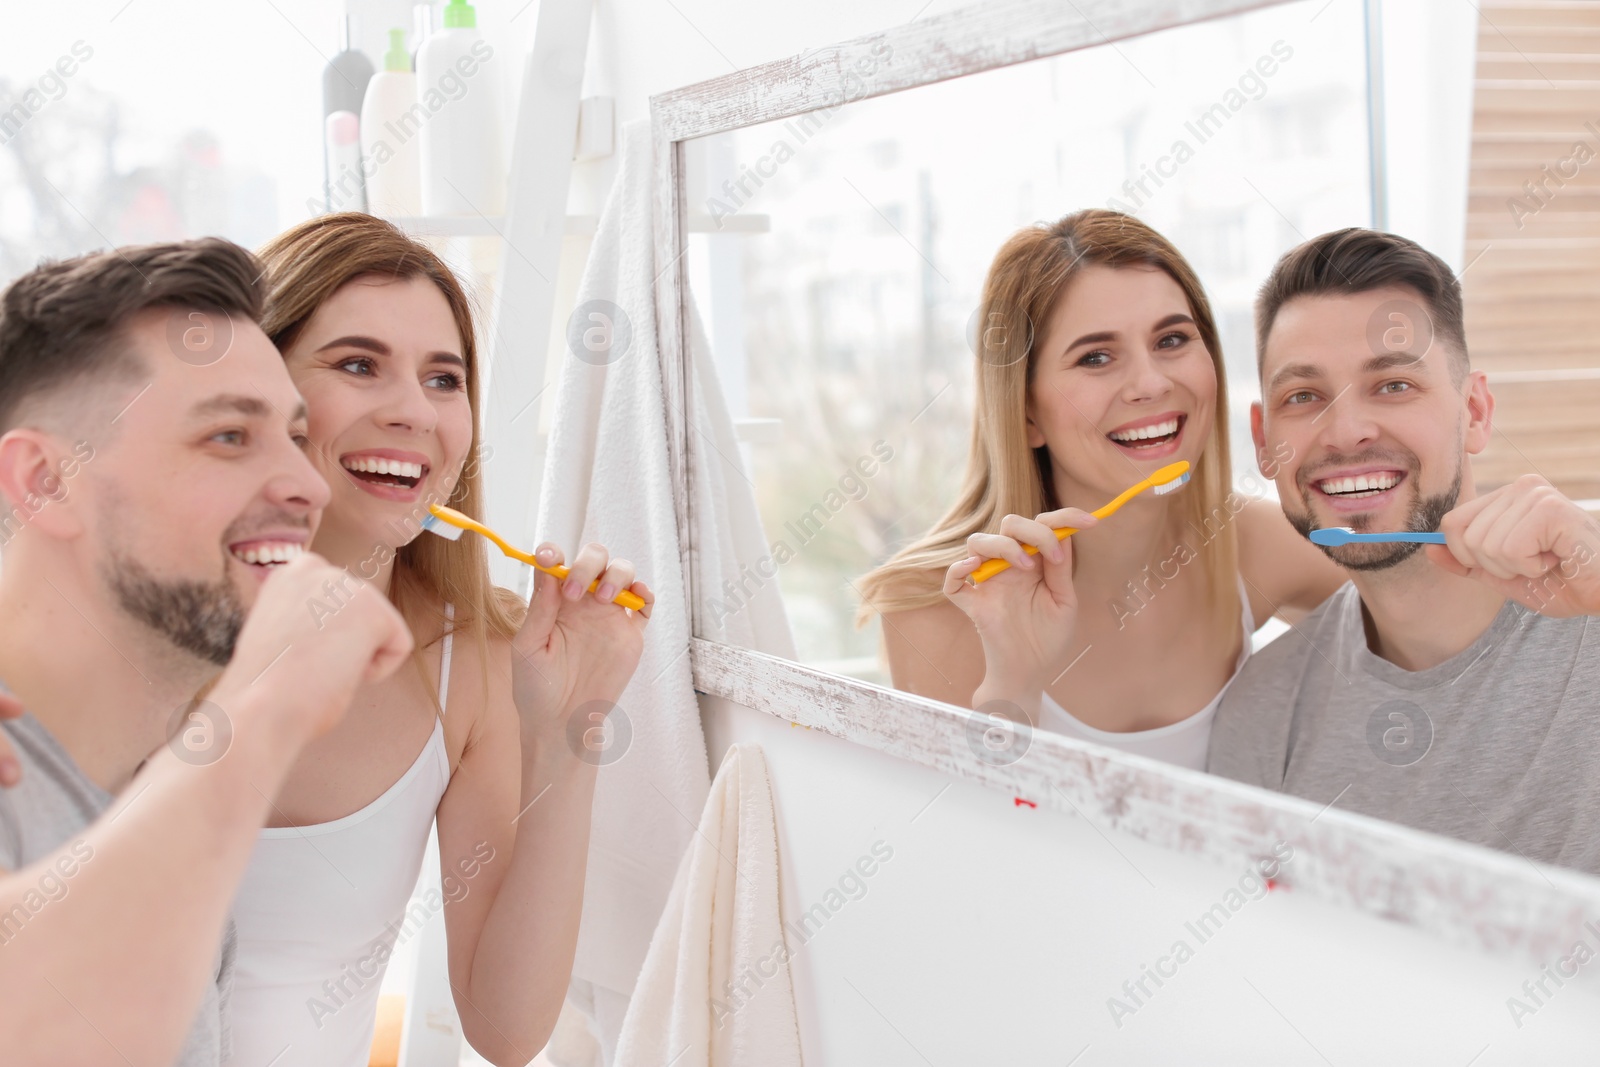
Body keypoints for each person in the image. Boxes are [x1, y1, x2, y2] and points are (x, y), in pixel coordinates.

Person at [222, 213, 652, 1066]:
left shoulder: (476, 662)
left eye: (444, 378)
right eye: (357, 364)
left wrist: (571, 726)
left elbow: (507, 1025)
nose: (415, 412)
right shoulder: (135, 618)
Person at [0, 238, 414, 1065]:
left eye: (295, 437)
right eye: (229, 436)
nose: (308, 485)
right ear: (44, 482)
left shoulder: (162, 813)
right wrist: (267, 708)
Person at [859, 209, 1343, 770]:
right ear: (1026, 414)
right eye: (1095, 357)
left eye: (1172, 339)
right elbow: (964, 846)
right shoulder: (937, 611)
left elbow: (1419, 636)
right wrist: (1015, 683)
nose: (1151, 383)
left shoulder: (1252, 543)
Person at [1208, 228, 1600, 875]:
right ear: (1263, 439)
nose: (1346, 431)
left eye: (1392, 384)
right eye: (1302, 397)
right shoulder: (1263, 716)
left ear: (1474, 411)